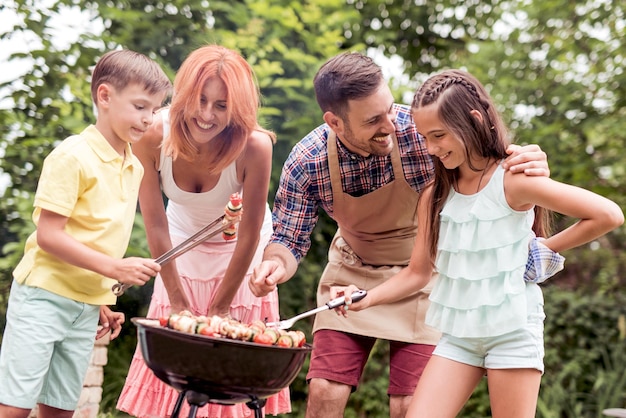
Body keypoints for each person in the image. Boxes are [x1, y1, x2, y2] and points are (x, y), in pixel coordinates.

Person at [248, 51, 551, 418]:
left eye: (390, 109)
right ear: (335, 122)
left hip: (424, 276)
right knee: (326, 390)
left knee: (408, 404)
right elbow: (289, 240)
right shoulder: (307, 161)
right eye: (373, 120)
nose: (390, 125)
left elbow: (483, 164)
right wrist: (275, 266)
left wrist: (524, 161)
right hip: (351, 275)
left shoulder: (421, 132)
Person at [330, 69, 624, 418]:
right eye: (425, 137)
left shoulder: (512, 181)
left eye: (439, 135)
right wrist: (365, 299)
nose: (431, 148)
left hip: (513, 330)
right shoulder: (434, 196)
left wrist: (545, 247)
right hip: (460, 336)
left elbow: (608, 214)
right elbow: (417, 273)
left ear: (473, 120)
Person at [116, 45, 290, 418]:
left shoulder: (254, 146)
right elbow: (156, 223)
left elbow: (250, 233)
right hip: (179, 246)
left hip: (239, 251)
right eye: (200, 100)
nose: (207, 115)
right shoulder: (153, 136)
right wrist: (177, 301)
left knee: (228, 373)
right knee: (177, 366)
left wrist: (221, 308)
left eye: (222, 106)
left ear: (237, 108)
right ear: (183, 96)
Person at [0, 49, 170, 418]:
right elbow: (49, 236)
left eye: (155, 109)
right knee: (14, 408)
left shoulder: (134, 165)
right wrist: (115, 269)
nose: (149, 118)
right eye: (141, 106)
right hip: (43, 297)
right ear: (105, 96)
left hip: (85, 307)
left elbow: (96, 235)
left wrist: (98, 300)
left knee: (60, 411)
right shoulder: (72, 156)